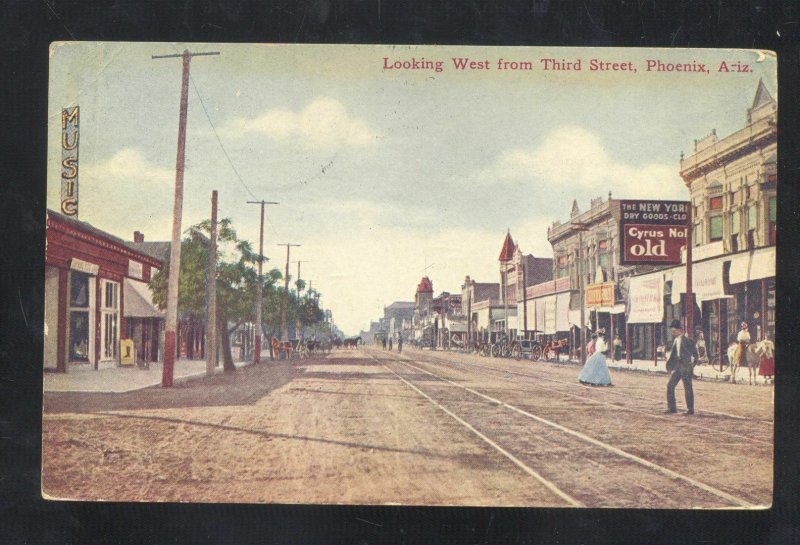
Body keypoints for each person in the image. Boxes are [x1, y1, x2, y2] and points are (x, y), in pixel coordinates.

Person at [665, 319, 698, 415]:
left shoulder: (687, 340)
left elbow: (695, 354)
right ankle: (672, 407)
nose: (672, 332)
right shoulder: (675, 340)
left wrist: (692, 364)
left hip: (686, 367)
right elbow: (673, 355)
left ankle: (690, 409)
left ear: (679, 330)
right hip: (678, 367)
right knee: (670, 385)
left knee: (688, 387)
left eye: (674, 330)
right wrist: (670, 366)